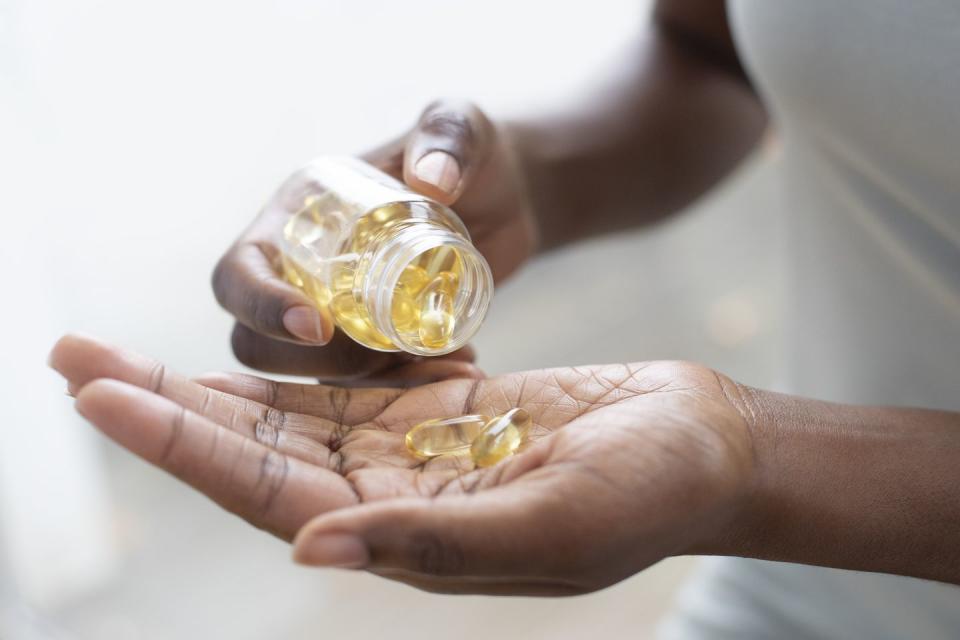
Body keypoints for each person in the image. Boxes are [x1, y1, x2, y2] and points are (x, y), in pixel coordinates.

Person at [49, 0, 960, 636]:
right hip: (801, 598)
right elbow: (714, 54)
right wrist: (536, 172)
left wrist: (770, 463)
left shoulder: (763, 473)